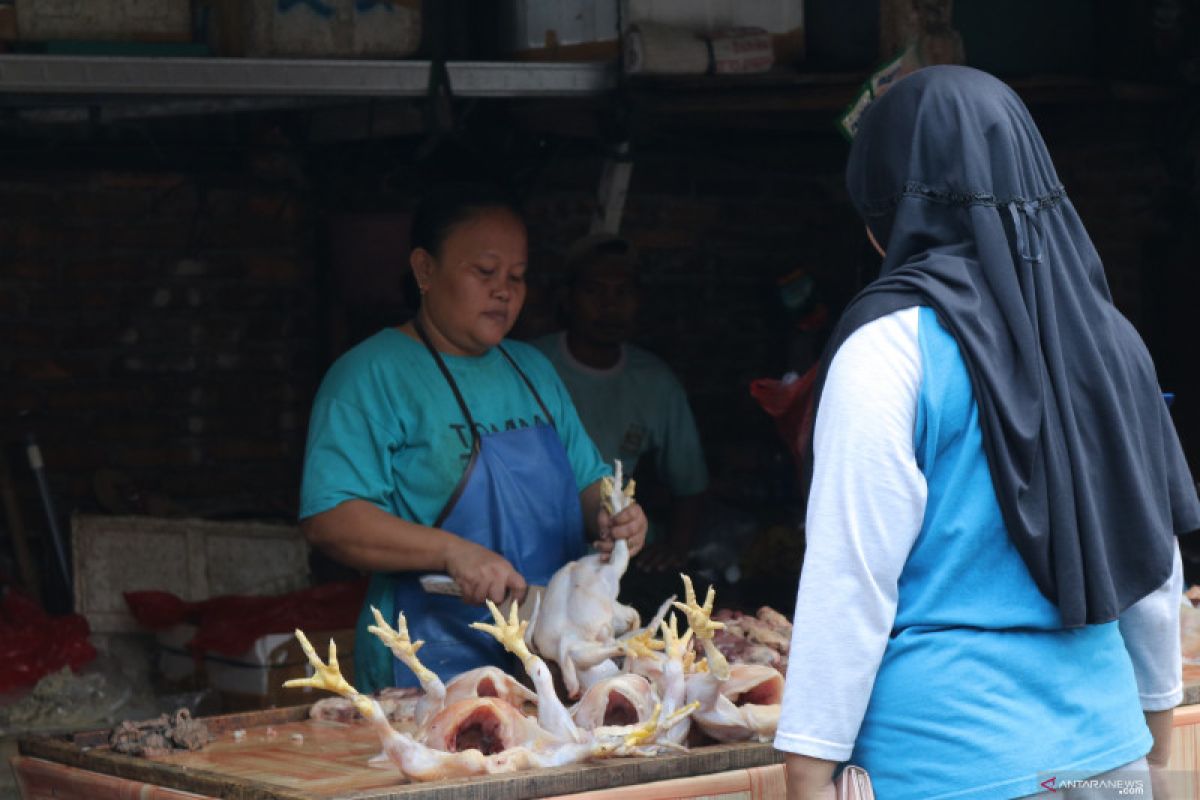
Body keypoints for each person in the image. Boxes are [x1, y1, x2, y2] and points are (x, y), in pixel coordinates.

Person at [775, 66, 1200, 800]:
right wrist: (1152, 744)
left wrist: (808, 774)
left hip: (946, 769)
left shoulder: (888, 350)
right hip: (1108, 763)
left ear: (887, 212)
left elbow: (852, 576)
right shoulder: (1112, 343)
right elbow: (1150, 556)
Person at [299, 184, 648, 694]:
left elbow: (589, 485)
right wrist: (451, 552)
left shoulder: (533, 370)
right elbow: (331, 519)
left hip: (555, 659)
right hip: (427, 667)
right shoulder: (370, 375)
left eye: (517, 277)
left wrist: (616, 517)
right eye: (485, 273)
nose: (504, 291)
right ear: (424, 270)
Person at [532, 233, 708, 572]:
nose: (609, 305)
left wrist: (675, 548)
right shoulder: (532, 366)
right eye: (594, 291)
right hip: (535, 549)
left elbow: (690, 484)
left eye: (622, 292)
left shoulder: (656, 382)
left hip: (618, 553)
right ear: (567, 298)